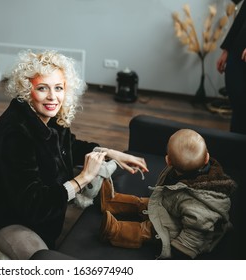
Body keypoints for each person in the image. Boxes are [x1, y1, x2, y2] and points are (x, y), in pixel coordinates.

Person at [0, 50, 148, 260]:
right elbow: (33, 205)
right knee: (46, 260)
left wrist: (112, 153)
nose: (53, 96)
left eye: (58, 88)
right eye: (42, 88)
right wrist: (82, 179)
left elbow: (72, 146)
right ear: (27, 91)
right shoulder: (15, 134)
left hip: (31, 204)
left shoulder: (49, 115)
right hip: (2, 214)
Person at [100, 129, 236, 259]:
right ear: (207, 157)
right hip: (173, 207)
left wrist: (177, 252)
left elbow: (195, 235)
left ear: (168, 160)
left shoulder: (201, 205)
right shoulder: (179, 171)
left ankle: (115, 231)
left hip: (179, 231)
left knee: (148, 229)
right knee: (144, 203)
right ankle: (112, 202)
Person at [216, 0, 246, 134]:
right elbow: (241, 17)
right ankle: (235, 147)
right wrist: (226, 50)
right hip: (237, 50)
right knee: (237, 104)